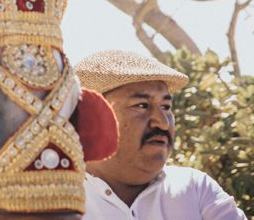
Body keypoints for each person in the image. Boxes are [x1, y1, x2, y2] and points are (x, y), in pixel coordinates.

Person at [76, 49, 244, 219]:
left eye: (166, 107)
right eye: (142, 105)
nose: (163, 123)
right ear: (92, 116)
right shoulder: (54, 202)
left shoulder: (195, 189)